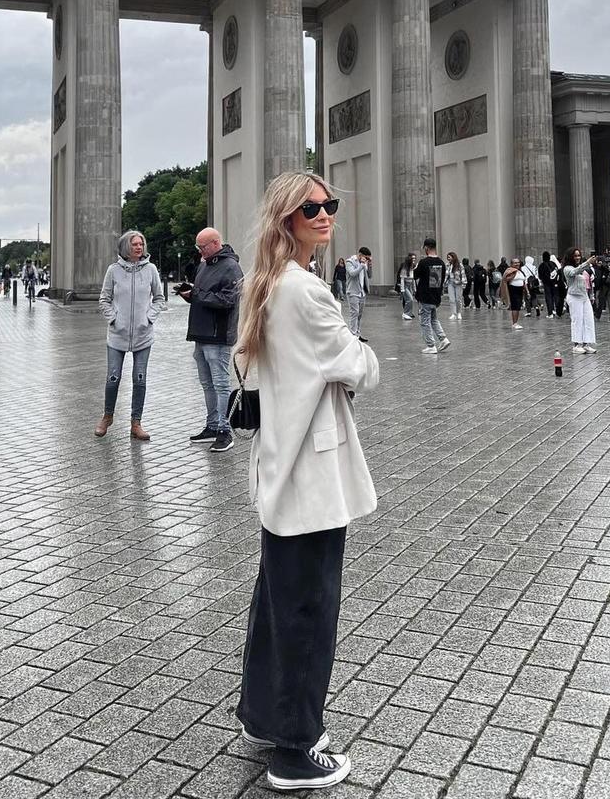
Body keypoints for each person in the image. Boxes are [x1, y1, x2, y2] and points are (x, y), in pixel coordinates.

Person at [235, 172, 376, 791]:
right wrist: (355, 355)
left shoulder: (265, 285)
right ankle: (295, 748)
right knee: (308, 611)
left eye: (330, 205)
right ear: (287, 218)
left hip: (280, 464)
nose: (325, 215)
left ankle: (265, 716)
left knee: (277, 602)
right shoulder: (308, 292)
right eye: (311, 208)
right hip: (312, 471)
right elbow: (361, 365)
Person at [97, 230, 166, 441]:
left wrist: (149, 318)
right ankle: (107, 416)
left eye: (141, 244)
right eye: (135, 244)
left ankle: (136, 423)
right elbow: (104, 299)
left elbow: (159, 298)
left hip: (143, 336)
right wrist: (113, 318)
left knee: (140, 378)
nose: (139, 247)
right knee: (113, 377)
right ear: (126, 247)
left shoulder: (151, 269)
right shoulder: (113, 270)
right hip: (117, 335)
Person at [180, 227, 243, 453]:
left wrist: (196, 294)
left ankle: (224, 431)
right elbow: (202, 295)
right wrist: (190, 294)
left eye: (202, 247)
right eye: (198, 247)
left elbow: (228, 300)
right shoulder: (205, 264)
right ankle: (212, 425)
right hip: (200, 333)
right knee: (207, 384)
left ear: (215, 244)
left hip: (218, 335)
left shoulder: (231, 267)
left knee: (220, 384)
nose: (199, 251)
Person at [415, 238, 449, 353]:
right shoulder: (442, 263)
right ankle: (443, 339)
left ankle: (431, 345)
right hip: (435, 297)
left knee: (425, 322)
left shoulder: (424, 263)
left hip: (425, 297)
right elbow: (440, 281)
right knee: (434, 319)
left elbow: (414, 275)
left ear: (426, 248)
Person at [562, 247, 598, 354]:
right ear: (570, 257)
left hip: (584, 297)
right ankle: (577, 344)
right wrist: (587, 262)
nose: (578, 257)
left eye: (579, 255)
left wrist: (591, 296)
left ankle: (587, 343)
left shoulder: (583, 268)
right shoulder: (567, 268)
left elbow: (588, 283)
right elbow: (574, 272)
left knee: (588, 319)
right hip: (574, 297)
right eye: (575, 256)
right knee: (577, 320)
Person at [344, 247, 372, 336]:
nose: (367, 259)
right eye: (366, 257)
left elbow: (369, 275)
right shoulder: (350, 261)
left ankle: (358, 333)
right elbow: (352, 274)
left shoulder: (364, 264)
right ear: (360, 255)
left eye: (368, 258)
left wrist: (370, 265)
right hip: (353, 291)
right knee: (354, 313)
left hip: (362, 292)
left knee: (359, 314)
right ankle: (353, 335)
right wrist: (362, 265)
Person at [502, 258, 525, 329]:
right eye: (515, 263)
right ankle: (514, 323)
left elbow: (524, 281)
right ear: (511, 264)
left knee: (518, 307)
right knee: (515, 307)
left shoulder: (520, 271)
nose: (517, 264)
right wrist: (513, 274)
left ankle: (516, 322)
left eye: (518, 262)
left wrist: (526, 290)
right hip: (513, 290)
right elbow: (505, 279)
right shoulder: (509, 271)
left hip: (520, 290)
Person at [396, 253, 416, 320]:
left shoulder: (412, 269)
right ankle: (405, 313)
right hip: (405, 286)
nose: (413, 261)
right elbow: (402, 280)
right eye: (412, 260)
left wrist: (414, 288)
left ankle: (408, 313)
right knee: (409, 299)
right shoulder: (404, 270)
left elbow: (413, 280)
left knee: (410, 300)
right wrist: (402, 290)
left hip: (410, 286)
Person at [538, 251, 558, 318]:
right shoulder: (553, 263)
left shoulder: (542, 265)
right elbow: (557, 271)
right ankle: (555, 310)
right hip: (554, 283)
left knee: (548, 297)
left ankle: (550, 312)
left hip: (546, 283)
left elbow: (540, 276)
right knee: (554, 296)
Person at [445, 252, 464, 320]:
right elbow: (446, 275)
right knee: (451, 299)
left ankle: (459, 313)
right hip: (450, 282)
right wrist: (444, 283)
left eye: (449, 257)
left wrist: (464, 283)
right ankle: (453, 313)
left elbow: (463, 274)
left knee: (458, 299)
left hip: (458, 283)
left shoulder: (460, 265)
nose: (448, 259)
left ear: (453, 257)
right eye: (447, 257)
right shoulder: (447, 265)